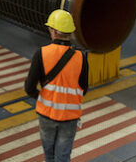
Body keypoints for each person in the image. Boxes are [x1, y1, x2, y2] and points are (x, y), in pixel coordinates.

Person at [25, 10, 89, 162]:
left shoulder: (41, 53)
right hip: (70, 117)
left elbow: (29, 88)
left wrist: (41, 97)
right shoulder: (81, 57)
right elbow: (84, 89)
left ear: (53, 31)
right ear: (70, 33)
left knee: (49, 156)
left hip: (46, 115)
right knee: (63, 157)